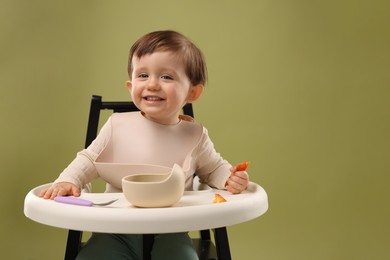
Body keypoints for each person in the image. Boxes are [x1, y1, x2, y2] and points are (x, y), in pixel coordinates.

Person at [39, 30, 249, 260]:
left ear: (193, 92)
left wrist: (229, 179)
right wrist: (68, 180)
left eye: (166, 77)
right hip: (116, 228)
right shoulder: (116, 126)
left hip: (171, 229)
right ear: (130, 86)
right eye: (143, 76)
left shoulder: (195, 135)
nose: (152, 85)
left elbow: (214, 168)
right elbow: (88, 160)